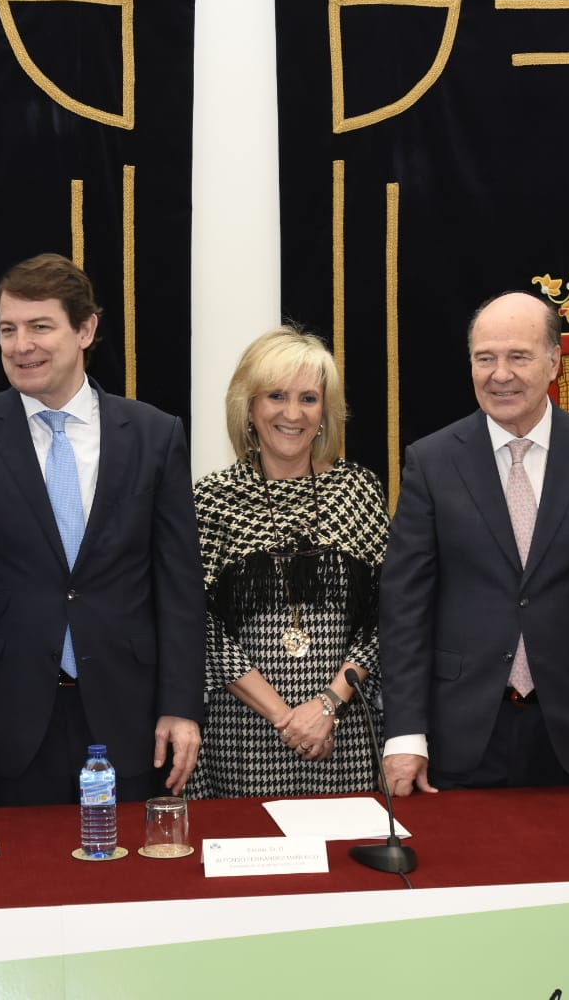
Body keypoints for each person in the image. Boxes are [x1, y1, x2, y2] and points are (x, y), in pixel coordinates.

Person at [0, 253, 204, 807]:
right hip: (3, 727)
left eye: (40, 326)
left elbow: (179, 587)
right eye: (8, 329)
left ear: (86, 330)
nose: (20, 345)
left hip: (132, 720)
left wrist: (181, 705)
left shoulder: (155, 434)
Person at [380, 292, 569, 796]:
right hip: (462, 733)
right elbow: (405, 609)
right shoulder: (432, 461)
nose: (500, 374)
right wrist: (405, 734)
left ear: (554, 362)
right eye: (485, 358)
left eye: (518, 356)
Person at [186, 326, 388, 799]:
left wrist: (328, 705)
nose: (292, 413)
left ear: (325, 413)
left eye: (308, 399)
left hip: (345, 735)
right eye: (276, 396)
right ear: (248, 408)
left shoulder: (359, 490)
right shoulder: (211, 499)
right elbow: (199, 626)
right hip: (242, 739)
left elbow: (389, 613)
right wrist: (285, 717)